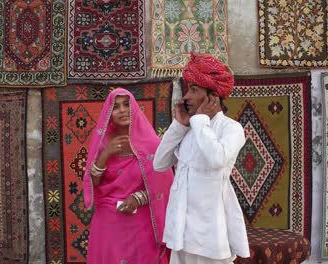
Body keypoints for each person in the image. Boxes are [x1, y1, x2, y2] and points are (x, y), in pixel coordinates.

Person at [153, 53, 250, 264]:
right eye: (188, 89)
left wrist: (200, 120)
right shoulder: (188, 129)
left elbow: (217, 159)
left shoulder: (231, 129)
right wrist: (178, 125)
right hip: (181, 229)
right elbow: (159, 163)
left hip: (211, 234)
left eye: (193, 90)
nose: (186, 96)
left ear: (212, 97)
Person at [83, 88, 174, 264]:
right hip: (109, 219)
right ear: (109, 114)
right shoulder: (102, 144)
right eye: (116, 107)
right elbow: (93, 184)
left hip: (141, 220)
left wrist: (138, 198)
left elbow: (165, 185)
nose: (123, 110)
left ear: (135, 108)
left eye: (127, 104)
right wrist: (105, 155)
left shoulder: (151, 143)